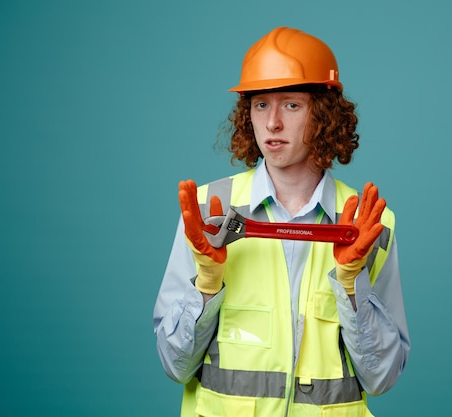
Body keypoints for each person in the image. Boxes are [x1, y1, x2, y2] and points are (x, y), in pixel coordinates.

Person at [153, 26, 410, 417]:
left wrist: (352, 284)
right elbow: (176, 365)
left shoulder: (368, 222)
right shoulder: (207, 211)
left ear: (323, 115)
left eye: (291, 105)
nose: (272, 122)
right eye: (260, 105)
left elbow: (382, 377)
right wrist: (206, 285)